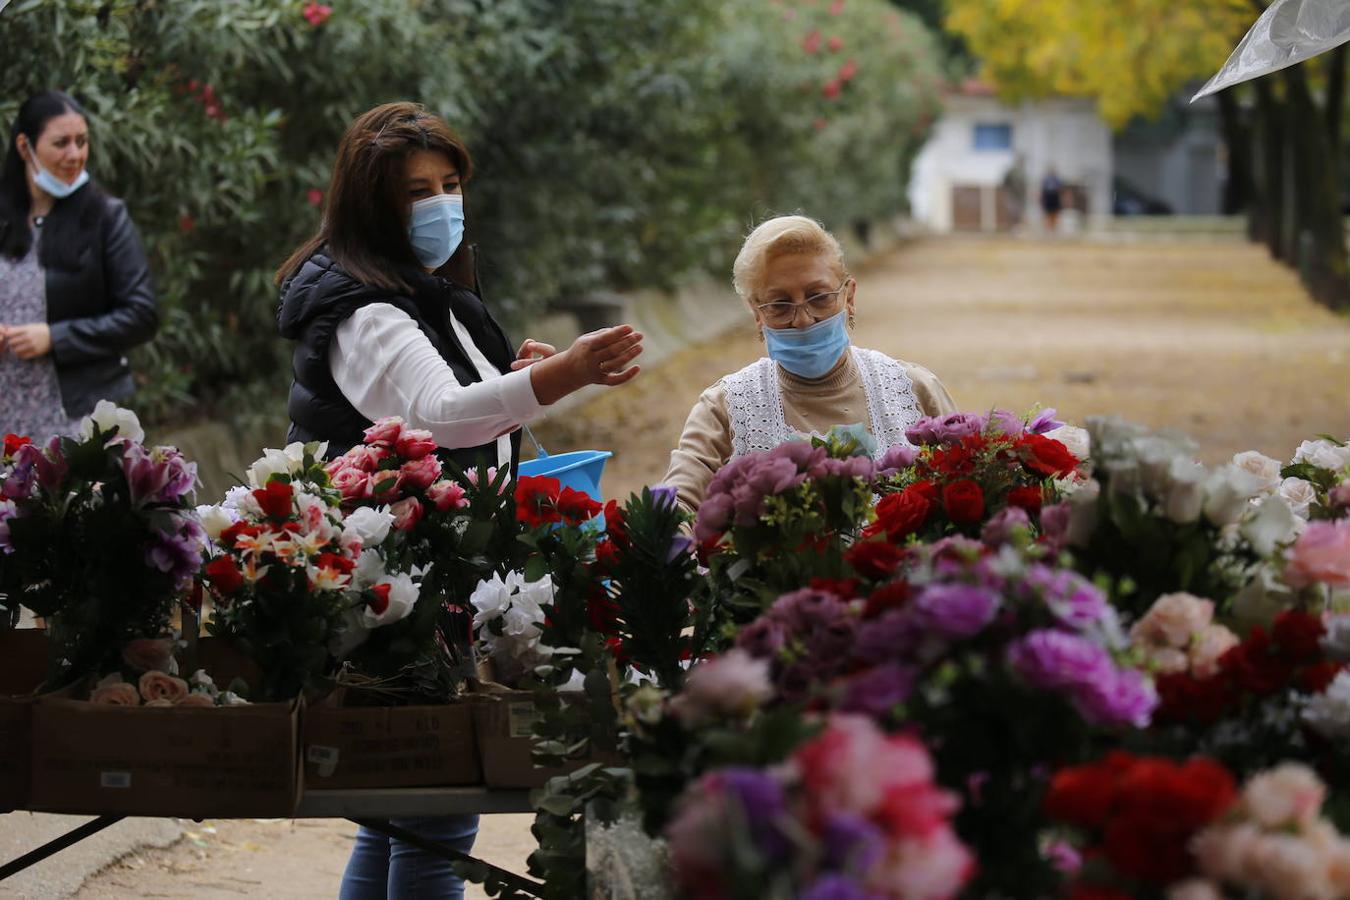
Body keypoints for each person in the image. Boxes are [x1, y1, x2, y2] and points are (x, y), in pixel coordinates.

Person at [275, 101, 643, 900]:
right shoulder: (366, 306)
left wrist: (523, 376)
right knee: (437, 813)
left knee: (403, 815)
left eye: (449, 183)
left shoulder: (416, 286)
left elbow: (467, 395)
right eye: (416, 190)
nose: (441, 203)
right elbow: (440, 414)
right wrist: (564, 374)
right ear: (372, 202)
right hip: (404, 579)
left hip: (427, 565)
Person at [663, 215, 956, 515]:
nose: (803, 319)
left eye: (818, 297)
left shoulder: (914, 391)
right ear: (756, 314)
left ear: (849, 297)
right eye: (779, 305)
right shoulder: (724, 409)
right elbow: (678, 505)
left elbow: (969, 482)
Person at [0, 90, 157, 438]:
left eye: (82, 141)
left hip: (75, 418)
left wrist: (55, 337)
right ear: (25, 147)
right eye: (61, 143)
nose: (75, 155)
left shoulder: (105, 217)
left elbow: (141, 314)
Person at [1040, 168, 1064, 233]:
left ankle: (1054, 228)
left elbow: (1060, 189)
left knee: (1055, 213)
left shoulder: (1057, 180)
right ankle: (1048, 229)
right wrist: (1042, 198)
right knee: (1047, 213)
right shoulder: (1046, 180)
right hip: (1048, 197)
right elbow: (1043, 190)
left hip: (1055, 197)